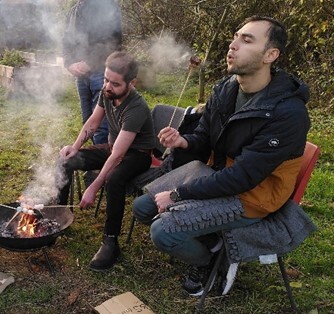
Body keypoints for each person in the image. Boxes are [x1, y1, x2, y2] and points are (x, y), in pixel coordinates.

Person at [132, 15, 310, 296]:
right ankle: (213, 240)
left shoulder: (288, 114)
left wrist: (178, 195)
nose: (233, 44)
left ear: (271, 55)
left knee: (163, 232)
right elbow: (203, 140)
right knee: (143, 208)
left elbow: (243, 178)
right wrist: (183, 142)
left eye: (247, 39)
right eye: (236, 36)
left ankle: (211, 261)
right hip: (218, 174)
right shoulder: (226, 89)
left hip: (252, 195)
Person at [58, 51, 156, 272]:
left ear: (131, 83)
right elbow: (93, 122)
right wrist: (75, 148)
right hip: (113, 147)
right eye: (105, 79)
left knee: (113, 179)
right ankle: (59, 216)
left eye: (114, 83)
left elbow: (119, 155)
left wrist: (93, 186)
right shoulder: (107, 92)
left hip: (137, 155)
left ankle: (110, 242)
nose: (107, 86)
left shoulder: (136, 108)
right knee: (66, 161)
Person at [62, 0, 122, 145]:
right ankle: (96, 158)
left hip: (102, 72)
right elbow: (66, 41)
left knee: (102, 124)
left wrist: (90, 62)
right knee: (87, 119)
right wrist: (69, 63)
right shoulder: (74, 10)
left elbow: (113, 41)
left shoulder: (107, 6)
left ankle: (103, 162)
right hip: (81, 75)